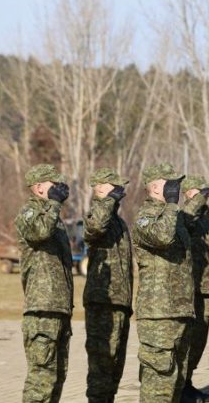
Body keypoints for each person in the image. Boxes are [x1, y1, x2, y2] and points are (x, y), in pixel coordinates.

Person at [132, 162, 194, 403]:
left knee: (176, 382)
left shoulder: (173, 217)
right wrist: (170, 205)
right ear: (157, 186)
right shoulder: (145, 217)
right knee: (159, 382)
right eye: (172, 183)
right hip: (158, 312)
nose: (177, 188)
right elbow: (162, 237)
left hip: (179, 310)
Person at [16, 164, 74, 403]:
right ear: (39, 187)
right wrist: (54, 204)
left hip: (59, 308)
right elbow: (39, 232)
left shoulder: (55, 219)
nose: (59, 189)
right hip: (42, 308)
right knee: (41, 380)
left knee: (57, 377)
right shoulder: (29, 213)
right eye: (54, 184)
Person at [83, 168, 133, 403]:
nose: (121, 192)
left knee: (115, 364)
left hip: (120, 301)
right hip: (102, 301)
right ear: (102, 188)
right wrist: (108, 201)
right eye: (116, 188)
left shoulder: (118, 221)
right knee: (101, 363)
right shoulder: (96, 214)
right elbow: (95, 228)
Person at [180, 175, 209, 402]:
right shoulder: (183, 215)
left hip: (207, 287)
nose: (203, 196)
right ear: (186, 194)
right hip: (191, 287)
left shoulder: (206, 218)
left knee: (200, 340)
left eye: (205, 192)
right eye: (197, 192)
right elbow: (188, 218)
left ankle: (188, 380)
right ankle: (181, 384)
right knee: (189, 339)